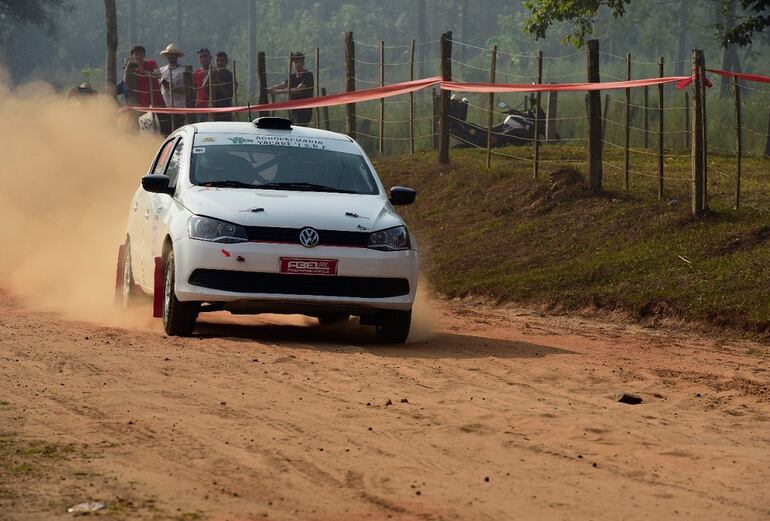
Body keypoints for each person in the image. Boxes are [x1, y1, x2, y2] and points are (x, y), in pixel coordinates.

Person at [268, 51, 314, 126]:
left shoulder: (308, 75)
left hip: (304, 110)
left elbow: (298, 90)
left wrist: (279, 92)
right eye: (295, 62)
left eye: (299, 62)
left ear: (303, 62)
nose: (297, 64)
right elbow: (284, 84)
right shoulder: (292, 76)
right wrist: (271, 89)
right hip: (293, 110)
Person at [159, 43, 187, 129]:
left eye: (173, 54)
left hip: (179, 107)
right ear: (166, 55)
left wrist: (172, 87)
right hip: (165, 107)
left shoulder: (183, 70)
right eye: (169, 54)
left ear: (177, 56)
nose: (171, 56)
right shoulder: (161, 70)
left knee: (178, 130)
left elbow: (186, 90)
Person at [212, 51, 234, 122]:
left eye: (222, 60)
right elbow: (205, 88)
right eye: (217, 60)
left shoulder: (229, 75)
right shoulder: (212, 73)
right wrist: (210, 74)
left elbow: (228, 95)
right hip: (213, 110)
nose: (219, 63)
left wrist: (217, 81)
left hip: (226, 111)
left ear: (226, 62)